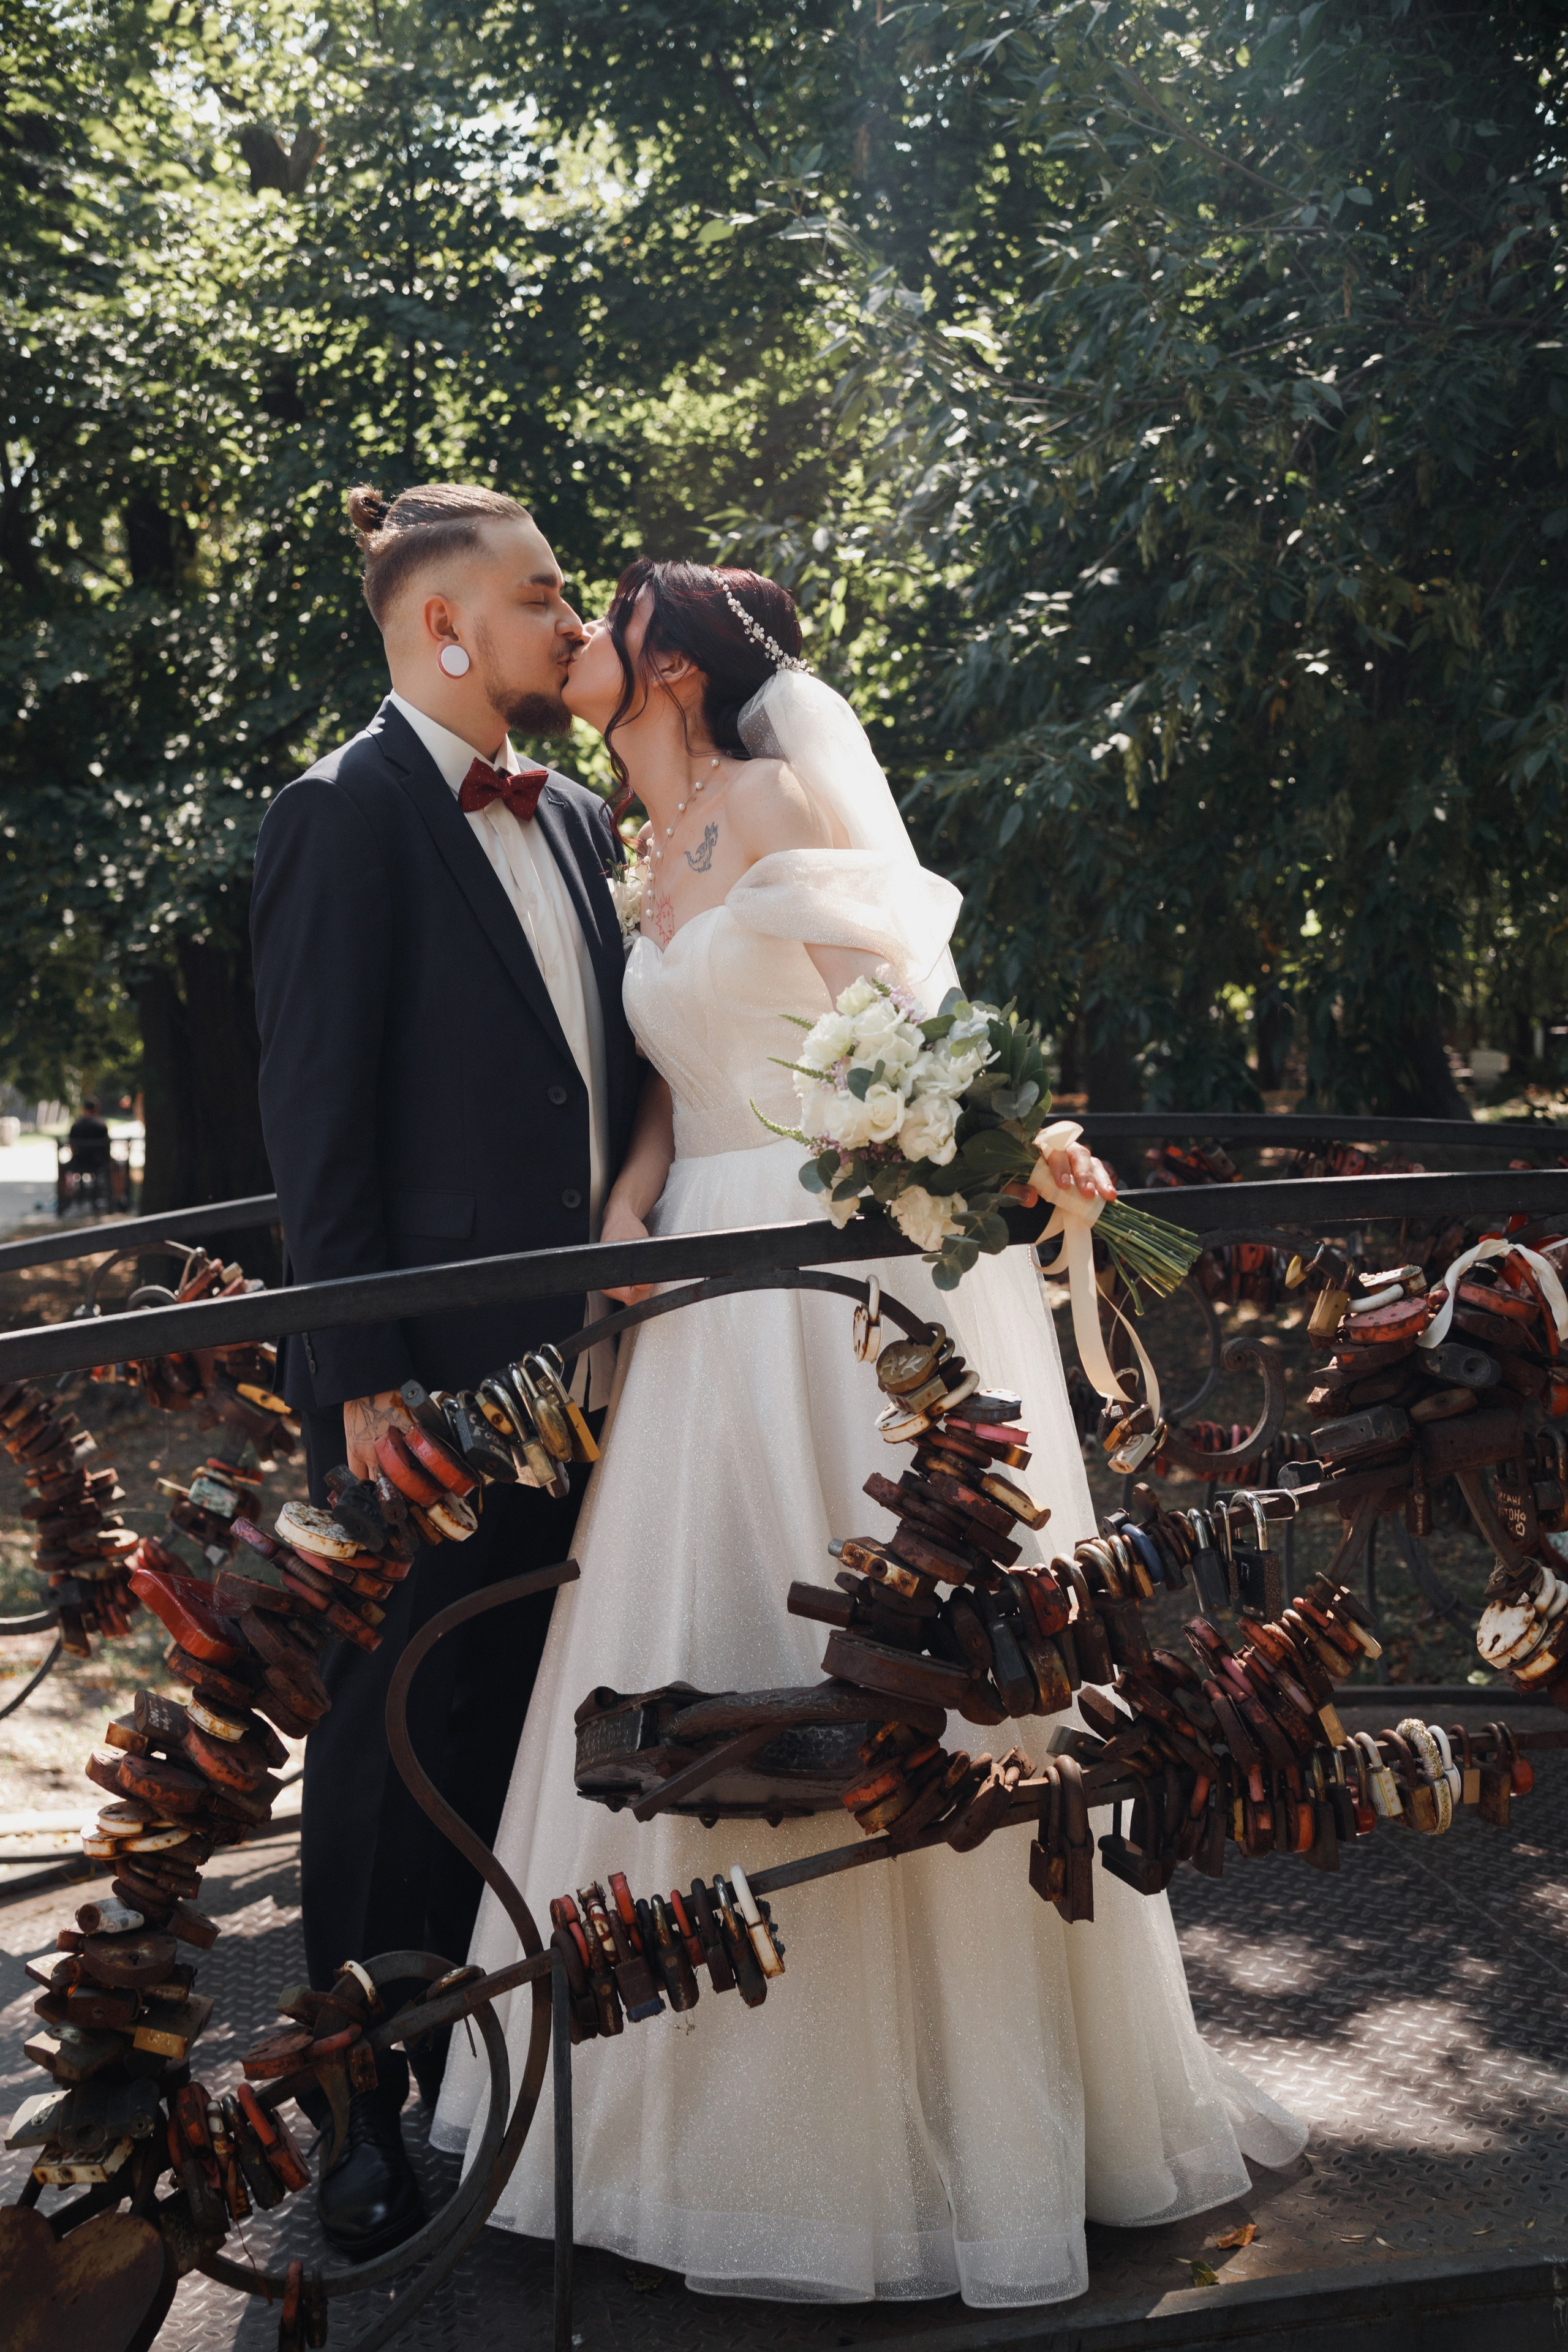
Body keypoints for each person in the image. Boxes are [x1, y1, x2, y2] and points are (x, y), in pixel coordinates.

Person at [432, 560, 1306, 2309]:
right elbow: (676, 1096)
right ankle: (675, 2127)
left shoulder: (769, 796)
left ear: (670, 660)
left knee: (882, 1649)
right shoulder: (637, 840)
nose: (578, 649)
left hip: (839, 1283)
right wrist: (617, 1248)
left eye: (600, 624)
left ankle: (957, 2139)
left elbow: (895, 1025)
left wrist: (1010, 1145)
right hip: (699, 1311)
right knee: (696, 1654)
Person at [249, 483, 644, 2263]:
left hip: (596, 1384)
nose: (573, 619)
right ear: (444, 629)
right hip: (428, 1397)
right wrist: (361, 1383)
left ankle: (485, 2079)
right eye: (544, 591)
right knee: (388, 1745)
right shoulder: (340, 815)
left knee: (516, 1732)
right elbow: (318, 1125)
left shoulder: (570, 817)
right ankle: (356, 2114)